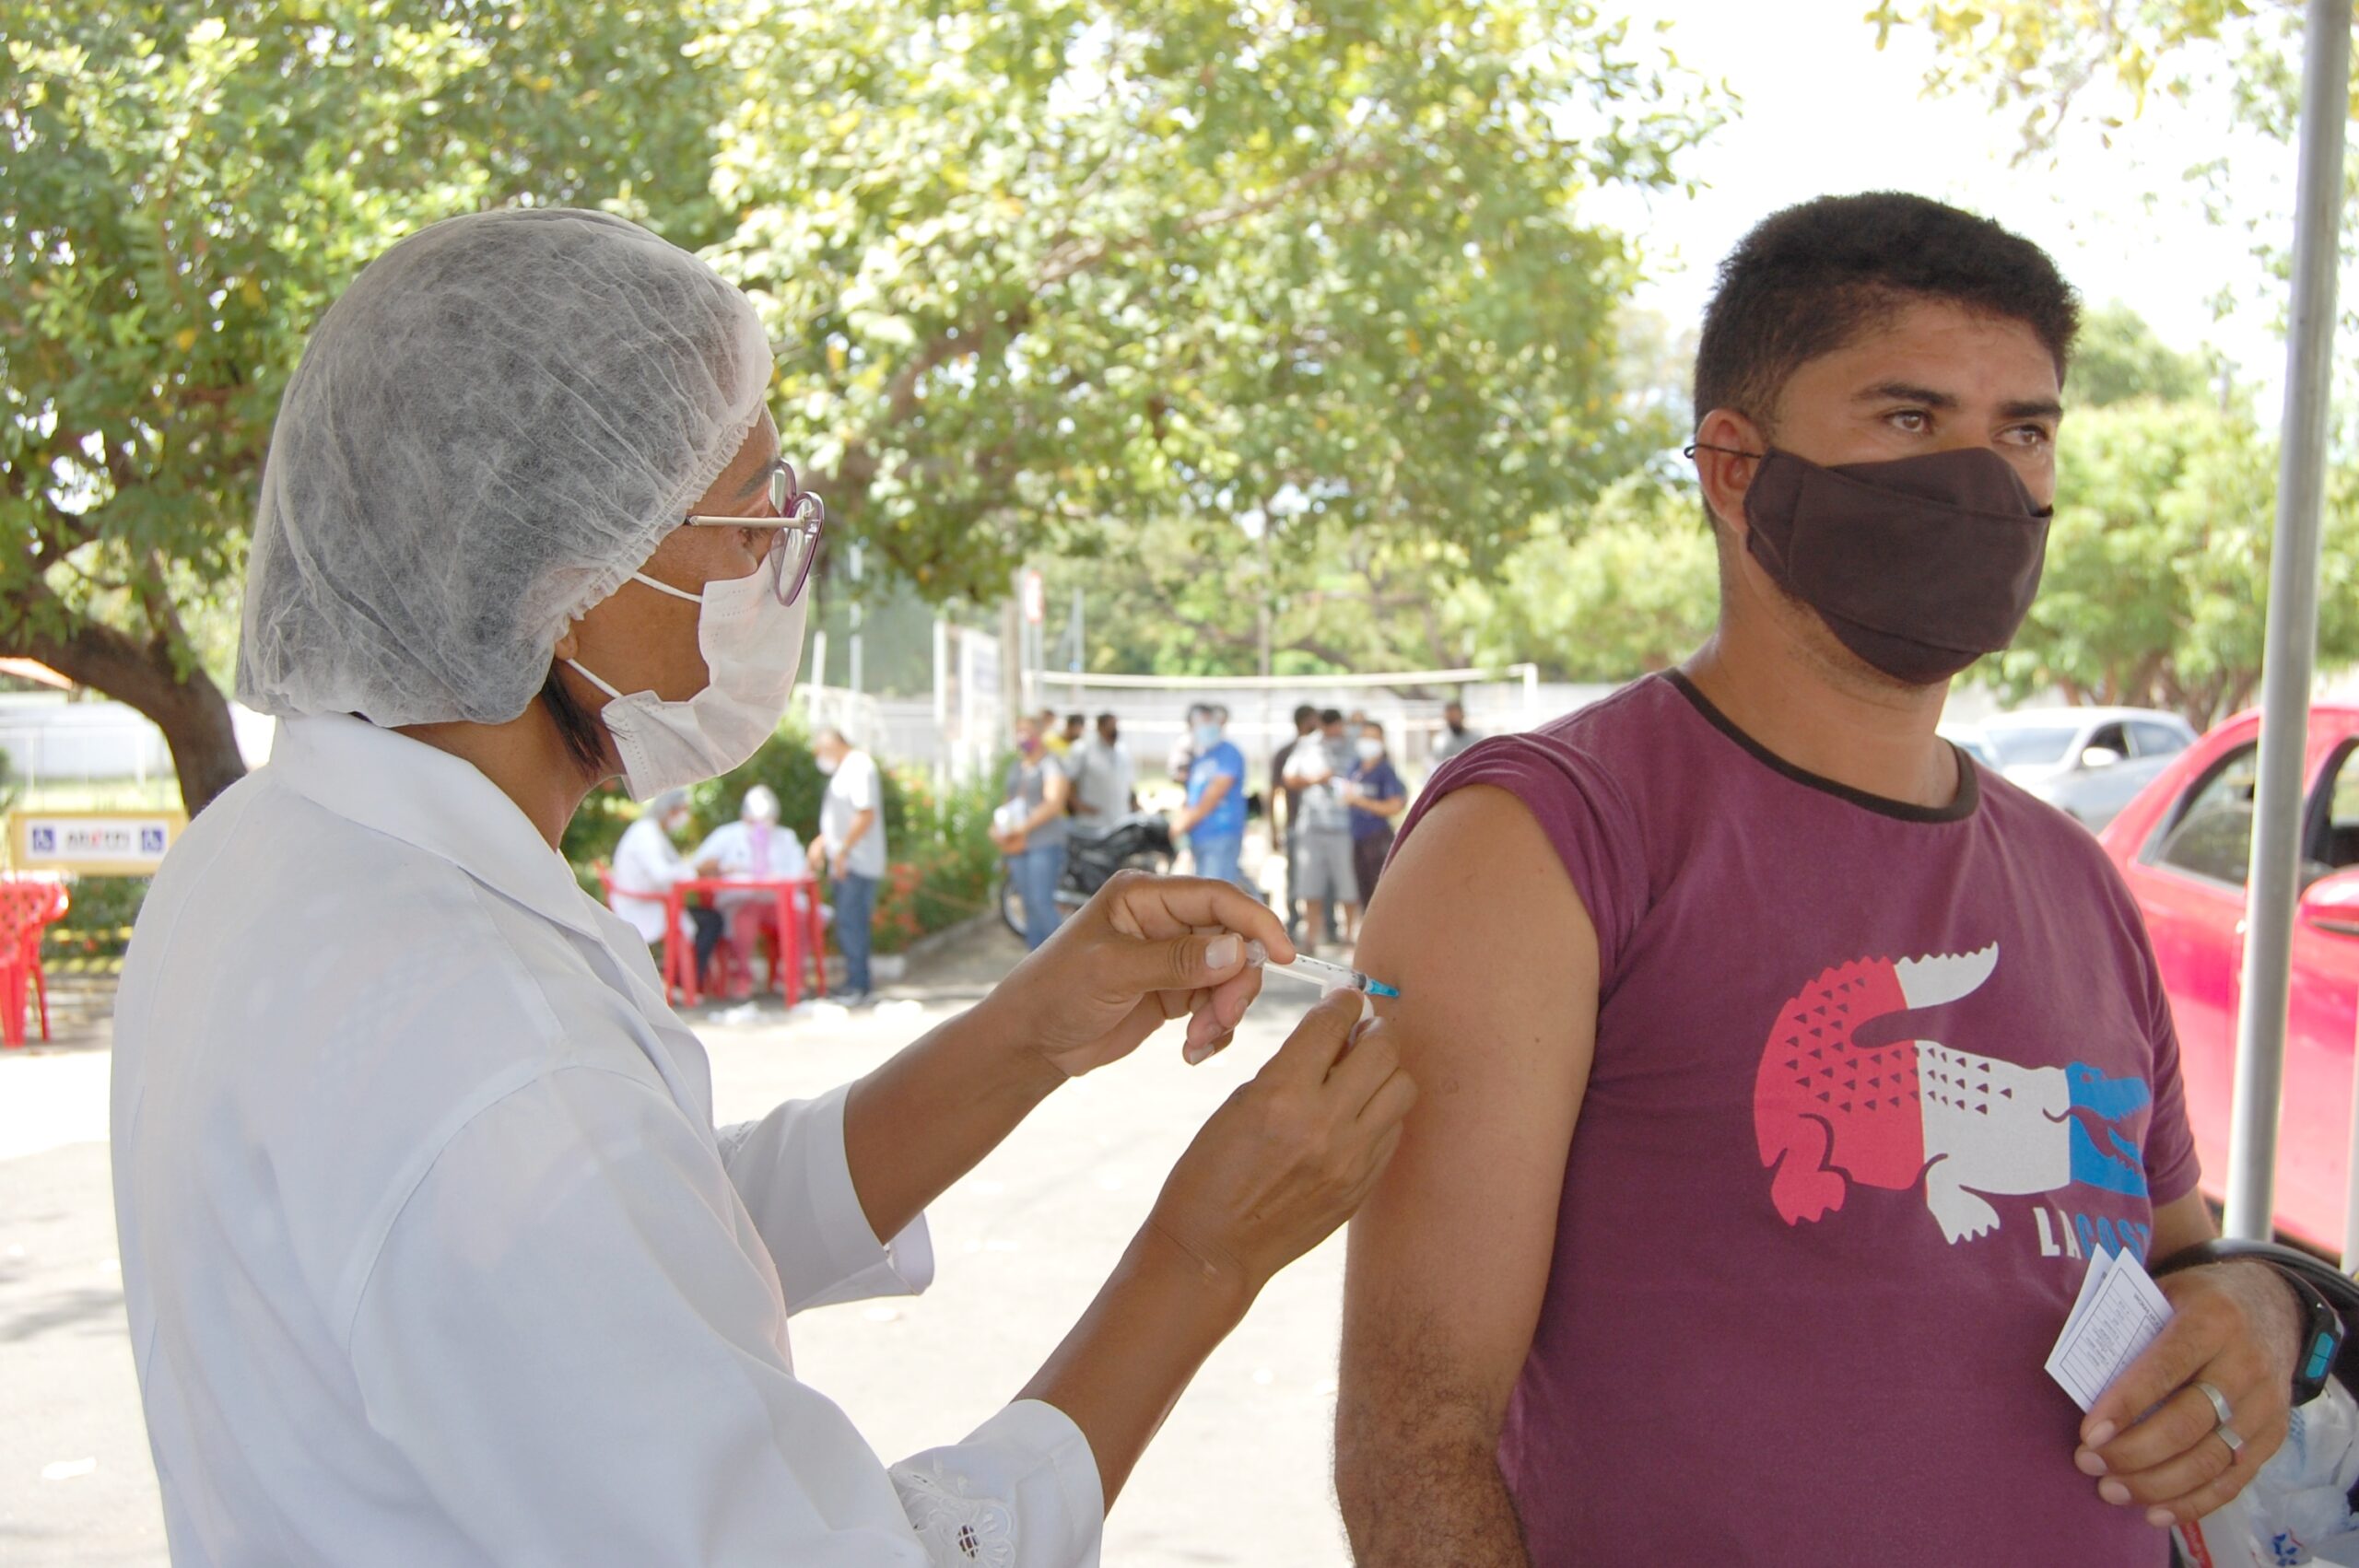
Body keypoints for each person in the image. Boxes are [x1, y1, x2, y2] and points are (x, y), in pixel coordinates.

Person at [110, 207, 1414, 1568]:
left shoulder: (284, 851)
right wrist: (1201, 1257)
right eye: (744, 515)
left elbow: (647, 1237)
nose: (773, 567)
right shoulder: (477, 1039)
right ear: (560, 573)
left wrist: (1028, 1033)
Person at [1336, 192, 2306, 1565]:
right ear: (1734, 470)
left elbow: (2175, 1274)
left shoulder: (2077, 881)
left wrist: (2269, 1312)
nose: (1984, 476)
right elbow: (1416, 1430)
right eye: (1910, 419)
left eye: (2023, 429)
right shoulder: (1545, 843)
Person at [693, 783, 807, 1001]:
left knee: (798, 918)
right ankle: (743, 978)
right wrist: (721, 868)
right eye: (754, 821)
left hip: (777, 901)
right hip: (741, 901)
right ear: (744, 816)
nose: (760, 827)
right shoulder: (726, 835)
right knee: (744, 920)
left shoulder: (786, 838)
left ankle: (791, 977)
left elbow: (798, 873)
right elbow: (698, 865)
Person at [608, 787, 724, 987]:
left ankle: (687, 980)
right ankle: (688, 982)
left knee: (710, 918)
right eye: (683, 810)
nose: (685, 817)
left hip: (652, 902)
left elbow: (673, 867)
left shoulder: (652, 831)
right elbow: (661, 875)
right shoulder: (646, 834)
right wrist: (697, 871)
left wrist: (696, 870)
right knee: (713, 921)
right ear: (671, 810)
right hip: (644, 906)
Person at [811, 728, 885, 1003]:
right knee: (848, 923)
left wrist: (841, 851)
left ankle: (858, 986)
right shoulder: (844, 770)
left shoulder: (859, 766)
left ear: (833, 743)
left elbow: (865, 814)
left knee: (852, 924)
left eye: (821, 750)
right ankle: (855, 982)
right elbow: (839, 820)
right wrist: (822, 844)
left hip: (857, 863)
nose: (819, 757)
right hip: (847, 860)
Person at [992, 712, 1072, 951]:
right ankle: (1035, 961)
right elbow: (1009, 800)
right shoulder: (1017, 766)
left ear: (1039, 734)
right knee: (1027, 903)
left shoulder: (1051, 763)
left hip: (1043, 842)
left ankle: (1064, 958)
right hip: (1017, 844)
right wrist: (999, 826)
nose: (1022, 737)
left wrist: (1022, 827)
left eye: (1026, 732)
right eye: (1019, 732)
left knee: (1041, 901)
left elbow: (1054, 802)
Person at [1281, 710, 1356, 954]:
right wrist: (1316, 779)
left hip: (1344, 827)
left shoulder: (1354, 745)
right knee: (1309, 886)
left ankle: (1348, 936)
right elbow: (1289, 778)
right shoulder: (1308, 745)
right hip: (1312, 827)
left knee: (1347, 884)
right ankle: (1311, 938)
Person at [1170, 705, 1248, 890]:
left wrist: (1182, 823)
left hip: (1220, 835)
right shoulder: (1201, 756)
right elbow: (1194, 796)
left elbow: (1213, 795)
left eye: (1207, 721)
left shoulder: (1228, 753)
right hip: (1201, 837)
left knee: (1214, 895)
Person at [1341, 721, 1406, 918]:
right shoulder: (1355, 768)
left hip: (1377, 839)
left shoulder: (1385, 771)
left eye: (1373, 738)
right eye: (1365, 737)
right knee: (1363, 892)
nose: (1368, 742)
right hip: (1357, 837)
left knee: (1380, 893)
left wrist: (1360, 802)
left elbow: (1395, 805)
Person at [1270, 705, 1322, 942]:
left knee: (1323, 880)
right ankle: (1292, 924)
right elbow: (1274, 793)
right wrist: (1273, 829)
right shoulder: (1286, 754)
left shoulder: (1324, 751)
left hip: (1322, 826)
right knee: (1294, 879)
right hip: (1295, 826)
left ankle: (1325, 926)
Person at [1068, 711, 1137, 824]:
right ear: (1100, 727)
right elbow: (1069, 781)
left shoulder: (1122, 751)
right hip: (1091, 821)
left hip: (1120, 817)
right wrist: (1078, 805)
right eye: (1110, 725)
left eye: (1115, 725)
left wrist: (1135, 806)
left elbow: (1129, 783)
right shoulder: (1083, 749)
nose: (1114, 729)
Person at [1431, 700, 1478, 767]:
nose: (1453, 719)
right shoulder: (1440, 741)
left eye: (1455, 716)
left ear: (1462, 715)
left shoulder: (1476, 739)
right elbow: (1436, 765)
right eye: (1450, 717)